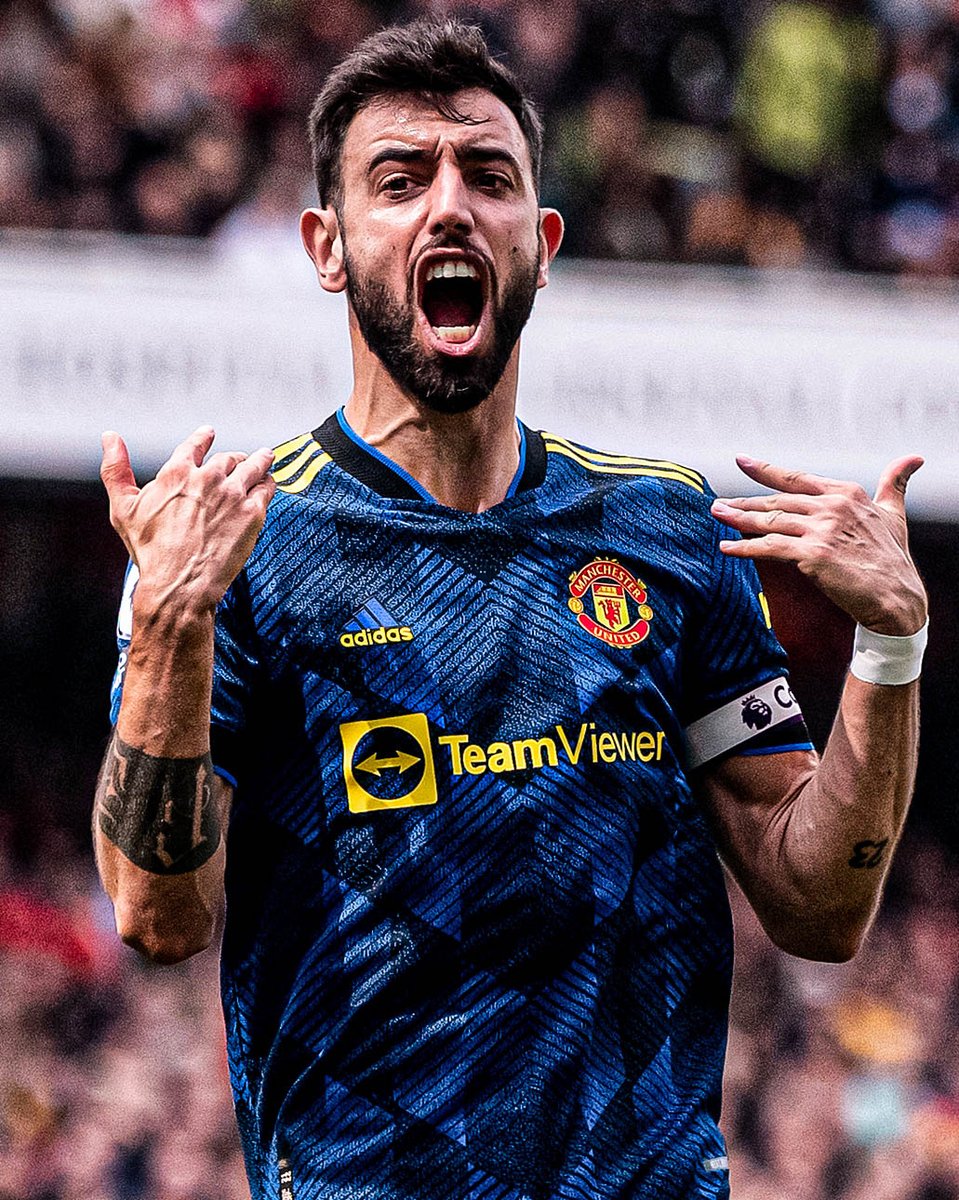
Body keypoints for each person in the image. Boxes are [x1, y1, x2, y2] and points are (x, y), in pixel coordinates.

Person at [94, 18, 928, 1200]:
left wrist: (889, 648)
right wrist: (173, 628)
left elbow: (819, 907)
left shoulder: (663, 531)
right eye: (400, 180)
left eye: (487, 176)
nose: (449, 207)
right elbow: (156, 916)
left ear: (540, 243)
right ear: (325, 248)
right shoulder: (235, 544)